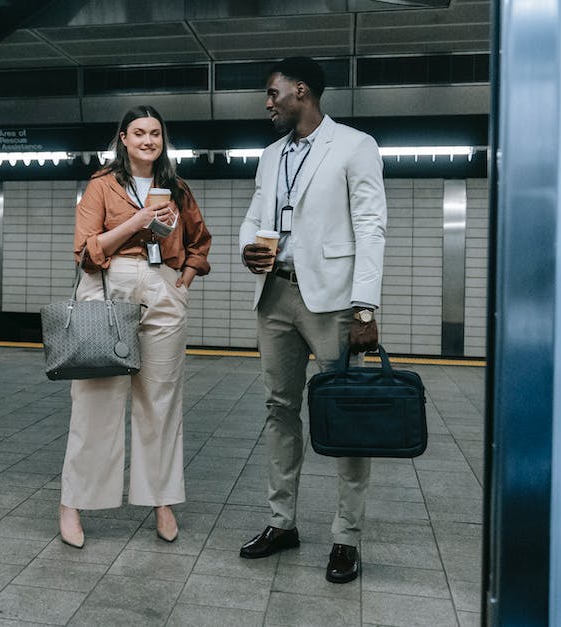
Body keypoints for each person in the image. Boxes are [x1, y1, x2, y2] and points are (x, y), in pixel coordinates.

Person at [237, 57, 386, 584]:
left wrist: (365, 306)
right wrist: (247, 249)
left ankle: (346, 537)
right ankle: (283, 523)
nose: (268, 102)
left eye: (273, 92)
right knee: (279, 410)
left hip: (333, 302)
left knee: (344, 417)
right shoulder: (271, 155)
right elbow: (257, 217)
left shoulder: (353, 145)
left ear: (301, 91)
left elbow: (371, 227)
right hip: (275, 295)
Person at [58, 105, 212, 549]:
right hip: (110, 288)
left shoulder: (177, 189)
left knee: (160, 401)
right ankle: (74, 502)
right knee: (96, 401)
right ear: (122, 138)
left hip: (164, 288)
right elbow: (87, 253)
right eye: (139, 133)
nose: (148, 140)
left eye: (156, 133)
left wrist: (183, 280)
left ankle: (161, 499)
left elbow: (200, 240)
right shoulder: (101, 186)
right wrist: (141, 219)